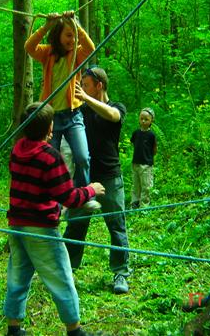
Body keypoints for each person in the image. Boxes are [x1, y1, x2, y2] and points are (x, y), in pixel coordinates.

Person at [4, 102, 105, 336]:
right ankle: (75, 330)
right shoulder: (50, 157)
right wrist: (91, 190)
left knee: (17, 276)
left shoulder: (18, 149)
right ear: (50, 128)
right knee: (61, 277)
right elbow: (69, 197)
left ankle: (13, 328)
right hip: (41, 228)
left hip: (16, 225)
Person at [63, 67, 131, 294]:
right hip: (85, 178)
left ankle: (121, 273)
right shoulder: (80, 110)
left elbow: (113, 116)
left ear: (99, 85)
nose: (82, 89)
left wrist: (85, 98)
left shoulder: (116, 107)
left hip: (110, 176)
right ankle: (67, 271)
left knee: (117, 225)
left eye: (86, 85)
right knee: (76, 224)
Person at [25, 11, 94, 188]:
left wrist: (76, 26)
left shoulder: (76, 54)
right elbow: (29, 47)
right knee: (50, 160)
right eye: (69, 35)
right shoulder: (47, 53)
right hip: (51, 118)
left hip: (73, 116)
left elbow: (90, 48)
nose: (73, 40)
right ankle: (52, 195)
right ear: (58, 35)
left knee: (82, 157)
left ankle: (82, 192)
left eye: (74, 36)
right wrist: (46, 26)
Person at [130, 107, 157, 208]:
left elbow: (154, 149)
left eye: (146, 119)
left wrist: (148, 157)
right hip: (135, 163)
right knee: (136, 185)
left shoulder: (151, 135)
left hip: (146, 164)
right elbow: (134, 144)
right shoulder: (136, 133)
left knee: (146, 186)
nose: (143, 121)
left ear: (151, 121)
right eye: (141, 118)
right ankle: (135, 203)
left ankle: (144, 206)